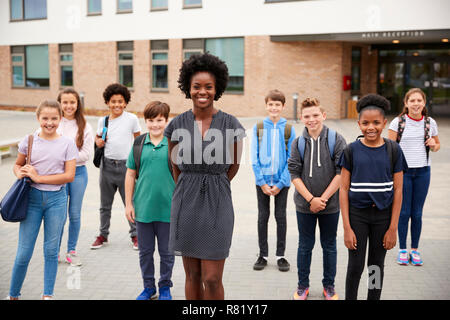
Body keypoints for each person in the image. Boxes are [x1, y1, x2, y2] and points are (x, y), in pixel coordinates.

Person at [164, 52, 246, 300]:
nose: (202, 92)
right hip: (185, 203)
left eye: (208, 87)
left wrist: (213, 183)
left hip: (218, 202)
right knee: (192, 276)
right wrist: (189, 185)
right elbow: (174, 165)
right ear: (188, 89)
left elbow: (234, 166)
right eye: (196, 86)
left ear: (217, 88)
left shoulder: (231, 124)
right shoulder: (176, 125)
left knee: (212, 278)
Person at [7, 100, 78, 300]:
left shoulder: (67, 143)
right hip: (31, 200)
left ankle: (48, 295)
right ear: (38, 118)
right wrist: (19, 173)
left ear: (61, 119)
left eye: (54, 118)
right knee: (23, 253)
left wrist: (40, 178)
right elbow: (18, 164)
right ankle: (13, 295)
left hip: (57, 200)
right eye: (45, 118)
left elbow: (69, 175)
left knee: (50, 251)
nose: (49, 122)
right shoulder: (29, 141)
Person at [339, 94, 408, 300]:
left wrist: (393, 228)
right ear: (358, 123)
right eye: (366, 123)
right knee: (356, 266)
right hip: (357, 216)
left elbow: (398, 190)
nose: (371, 127)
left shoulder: (393, 150)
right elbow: (343, 189)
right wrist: (347, 228)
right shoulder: (351, 151)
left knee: (375, 266)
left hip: (383, 217)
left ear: (384, 123)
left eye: (376, 123)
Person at [288, 98, 346, 300]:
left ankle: (328, 285)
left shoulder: (336, 139)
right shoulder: (297, 143)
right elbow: (294, 174)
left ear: (323, 115)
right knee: (305, 246)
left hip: (331, 206)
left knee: (329, 246)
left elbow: (342, 173)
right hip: (304, 206)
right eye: (307, 116)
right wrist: (311, 199)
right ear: (301, 118)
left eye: (315, 115)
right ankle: (302, 285)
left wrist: (323, 199)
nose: (311, 119)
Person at [125, 101, 175, 300]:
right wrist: (129, 204)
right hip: (143, 210)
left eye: (159, 120)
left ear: (167, 120)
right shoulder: (138, 144)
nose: (155, 125)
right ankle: (148, 288)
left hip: (168, 210)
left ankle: (165, 287)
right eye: (151, 120)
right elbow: (130, 175)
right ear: (145, 121)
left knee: (167, 254)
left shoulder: (173, 144)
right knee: (145, 253)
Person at [388, 88, 440, 266]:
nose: (416, 104)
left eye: (419, 100)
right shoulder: (398, 122)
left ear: (424, 103)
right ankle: (403, 250)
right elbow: (390, 149)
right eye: (412, 101)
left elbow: (437, 145)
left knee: (417, 214)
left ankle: (415, 250)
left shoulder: (430, 122)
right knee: (404, 213)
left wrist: (434, 144)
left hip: (423, 172)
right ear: (406, 103)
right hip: (404, 173)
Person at [91, 83, 141, 250]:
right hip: (107, 166)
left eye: (120, 101)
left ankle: (136, 235)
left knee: (131, 203)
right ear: (107, 102)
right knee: (105, 205)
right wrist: (98, 142)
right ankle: (102, 235)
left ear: (125, 102)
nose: (117, 105)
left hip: (127, 168)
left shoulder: (132, 119)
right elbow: (98, 140)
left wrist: (137, 164)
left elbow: (138, 141)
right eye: (113, 101)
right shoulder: (102, 120)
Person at [251, 89, 295, 272]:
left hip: (281, 183)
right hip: (262, 181)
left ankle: (281, 255)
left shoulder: (288, 129)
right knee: (263, 217)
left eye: (277, 105)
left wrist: (280, 183)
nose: (274, 108)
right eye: (271, 104)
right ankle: (263, 254)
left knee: (280, 217)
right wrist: (261, 182)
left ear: (283, 106)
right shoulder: (259, 127)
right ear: (266, 105)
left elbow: (291, 159)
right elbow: (254, 157)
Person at [56, 88, 94, 266]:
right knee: (59, 215)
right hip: (59, 175)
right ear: (60, 103)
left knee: (74, 214)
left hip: (78, 174)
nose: (69, 105)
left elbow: (86, 154)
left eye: (72, 102)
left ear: (77, 104)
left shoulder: (85, 126)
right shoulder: (54, 122)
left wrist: (64, 158)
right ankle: (54, 251)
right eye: (65, 102)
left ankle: (71, 251)